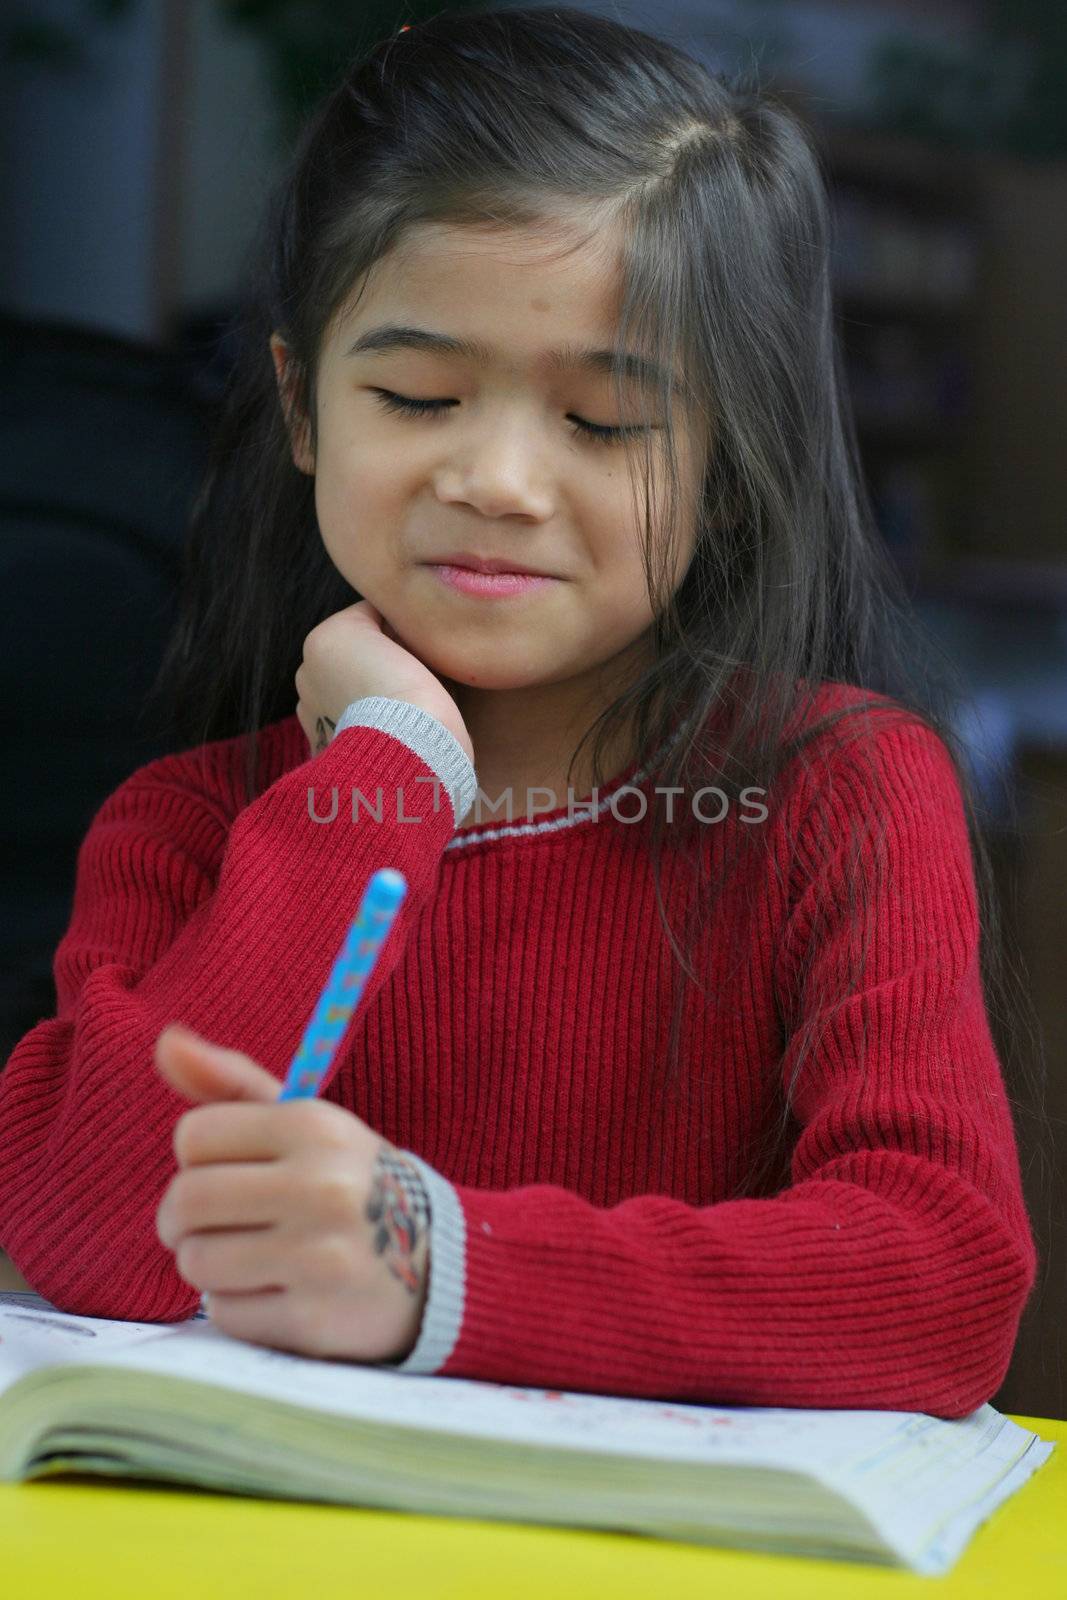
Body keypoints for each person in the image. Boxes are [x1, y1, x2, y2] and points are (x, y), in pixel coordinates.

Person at [0, 6, 1040, 1417]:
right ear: (305, 409)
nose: (496, 479)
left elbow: (940, 1281)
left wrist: (439, 1269)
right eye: (417, 395)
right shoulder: (189, 823)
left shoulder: (838, 788)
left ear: (730, 460)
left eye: (605, 423)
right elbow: (85, 1242)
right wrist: (386, 779)